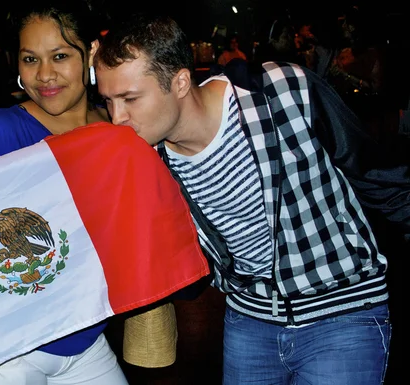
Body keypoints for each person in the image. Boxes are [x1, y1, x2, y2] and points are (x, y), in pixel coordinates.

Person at [95, 11, 409, 385]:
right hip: (250, 320)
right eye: (108, 100)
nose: (118, 117)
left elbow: (376, 174)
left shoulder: (280, 92)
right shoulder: (150, 158)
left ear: (179, 82)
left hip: (342, 313)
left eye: (130, 98)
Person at [0, 2, 127, 384]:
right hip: (5, 354)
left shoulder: (120, 131)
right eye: (30, 59)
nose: (45, 75)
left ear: (92, 54)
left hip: (85, 341)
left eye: (60, 56)